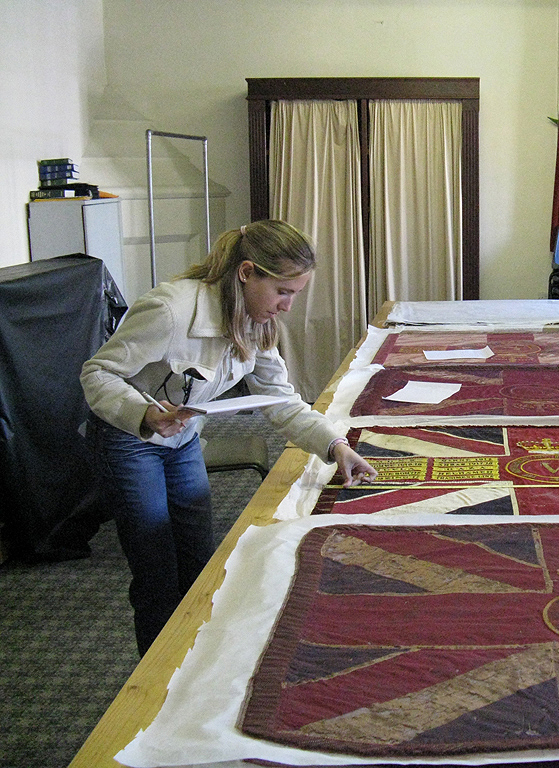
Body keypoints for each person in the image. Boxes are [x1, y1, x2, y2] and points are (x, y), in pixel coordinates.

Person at [81, 220, 377, 654]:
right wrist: (141, 412)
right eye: (283, 292)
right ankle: (155, 677)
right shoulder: (170, 310)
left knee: (199, 560)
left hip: (181, 440)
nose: (288, 306)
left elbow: (280, 399)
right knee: (156, 569)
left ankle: (193, 658)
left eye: (295, 294)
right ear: (246, 273)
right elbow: (97, 372)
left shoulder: (256, 321)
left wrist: (335, 446)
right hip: (130, 441)